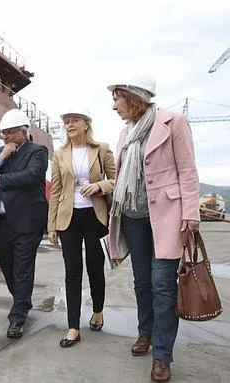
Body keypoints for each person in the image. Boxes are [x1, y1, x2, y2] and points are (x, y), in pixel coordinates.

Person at [107, 75, 200, 382]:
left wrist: (192, 213)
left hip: (167, 215)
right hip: (132, 217)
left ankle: (162, 355)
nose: (114, 106)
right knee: (141, 282)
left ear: (132, 97)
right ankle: (145, 332)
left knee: (162, 285)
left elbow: (187, 170)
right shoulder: (125, 133)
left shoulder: (173, 122)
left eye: (117, 99)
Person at [46, 108, 115, 348]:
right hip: (68, 218)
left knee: (95, 268)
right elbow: (55, 190)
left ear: (86, 124)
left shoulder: (102, 149)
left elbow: (116, 180)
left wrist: (99, 186)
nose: (69, 124)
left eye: (75, 120)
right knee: (72, 271)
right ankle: (73, 326)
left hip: (95, 217)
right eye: (66, 121)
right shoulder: (60, 153)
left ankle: (97, 310)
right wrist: (51, 226)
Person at [0, 108, 49, 338]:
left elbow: (32, 177)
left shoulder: (38, 151)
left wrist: (0, 179)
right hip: (2, 222)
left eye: (10, 132)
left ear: (24, 131)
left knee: (22, 268)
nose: (6, 137)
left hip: (27, 221)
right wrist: (1, 158)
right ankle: (22, 300)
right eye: (4, 133)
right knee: (7, 266)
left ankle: (17, 317)